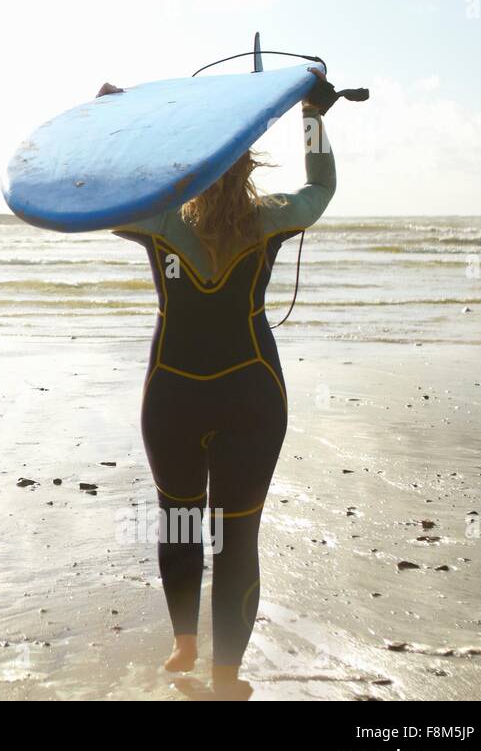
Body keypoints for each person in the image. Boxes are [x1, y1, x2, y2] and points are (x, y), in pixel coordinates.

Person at [107, 68, 338, 699]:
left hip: (172, 393)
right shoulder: (272, 218)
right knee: (238, 535)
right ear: (248, 166)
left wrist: (115, 124)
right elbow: (321, 188)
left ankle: (184, 646)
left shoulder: (155, 219)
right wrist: (314, 116)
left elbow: (102, 191)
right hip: (253, 393)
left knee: (178, 521)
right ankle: (226, 675)